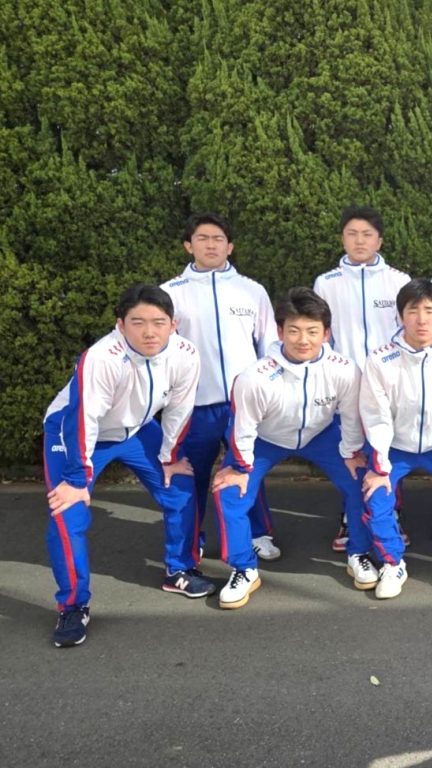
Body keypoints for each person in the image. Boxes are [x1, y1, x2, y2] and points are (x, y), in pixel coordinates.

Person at [45, 284, 210, 648]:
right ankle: (73, 605)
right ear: (121, 324)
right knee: (67, 514)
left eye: (158, 322)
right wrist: (76, 478)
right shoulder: (102, 357)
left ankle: (179, 570)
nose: (149, 332)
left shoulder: (185, 353)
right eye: (138, 322)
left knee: (179, 487)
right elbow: (83, 418)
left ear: (173, 324)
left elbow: (180, 408)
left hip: (135, 429)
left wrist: (169, 456)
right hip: (75, 432)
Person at [210, 288, 366, 609]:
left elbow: (351, 417)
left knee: (362, 481)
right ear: (280, 332)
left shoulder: (345, 369)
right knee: (230, 493)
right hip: (266, 439)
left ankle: (359, 553)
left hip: (321, 435)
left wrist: (352, 453)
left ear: (326, 333)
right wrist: (239, 468)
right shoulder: (255, 377)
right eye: (293, 331)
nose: (303, 340)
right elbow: (243, 428)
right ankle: (243, 569)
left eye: (312, 331)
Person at [162, 212, 279, 561]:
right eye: (202, 238)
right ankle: (193, 538)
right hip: (193, 406)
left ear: (230, 246)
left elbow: (269, 345)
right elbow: (163, 353)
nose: (211, 245)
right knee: (192, 475)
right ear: (188, 245)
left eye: (218, 239)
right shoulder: (170, 293)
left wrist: (268, 392)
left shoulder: (252, 290)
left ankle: (258, 533)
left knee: (246, 470)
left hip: (243, 405)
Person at [357, 279, 432, 600]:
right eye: (413, 311)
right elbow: (376, 417)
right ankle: (392, 563)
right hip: (396, 447)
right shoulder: (380, 359)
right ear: (400, 316)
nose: (421, 319)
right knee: (375, 495)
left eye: (429, 310)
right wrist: (379, 467)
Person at [313, 206, 410, 553]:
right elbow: (321, 334)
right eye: (352, 234)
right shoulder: (327, 282)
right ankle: (349, 515)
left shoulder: (398, 281)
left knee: (388, 449)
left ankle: (391, 514)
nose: (359, 241)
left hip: (389, 381)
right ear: (342, 238)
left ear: (379, 240)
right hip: (346, 383)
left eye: (367, 234)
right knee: (351, 450)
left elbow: (407, 332)